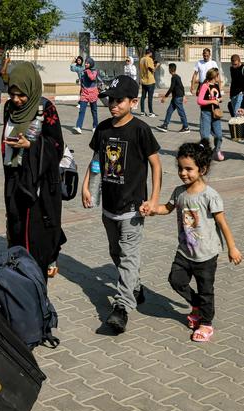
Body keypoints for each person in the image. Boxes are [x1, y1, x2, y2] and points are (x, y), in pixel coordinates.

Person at [81, 75, 162, 334]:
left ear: (133, 102)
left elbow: (156, 165)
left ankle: (121, 307)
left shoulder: (140, 130)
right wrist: (86, 185)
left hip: (133, 208)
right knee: (116, 254)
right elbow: (96, 160)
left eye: (119, 101)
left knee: (128, 257)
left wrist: (154, 198)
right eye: (110, 100)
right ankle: (135, 288)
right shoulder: (103, 128)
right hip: (109, 207)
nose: (113, 105)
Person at [151, 139, 242, 342]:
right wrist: (152, 209)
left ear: (202, 169)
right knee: (176, 280)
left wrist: (232, 248)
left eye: (188, 169)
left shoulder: (210, 196)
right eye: (181, 169)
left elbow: (222, 224)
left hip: (206, 254)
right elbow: (167, 208)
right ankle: (197, 305)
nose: (183, 173)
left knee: (206, 290)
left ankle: (206, 324)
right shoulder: (179, 192)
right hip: (184, 251)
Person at [1, 62, 65, 278]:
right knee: (15, 219)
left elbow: (57, 145)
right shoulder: (9, 108)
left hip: (40, 180)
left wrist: (31, 146)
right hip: (14, 174)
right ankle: (18, 263)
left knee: (39, 226)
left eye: (21, 95)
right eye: (12, 94)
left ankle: (42, 263)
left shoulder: (46, 108)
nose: (16, 100)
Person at [196, 68, 224, 161]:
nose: (219, 78)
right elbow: (199, 101)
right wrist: (212, 101)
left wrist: (219, 100)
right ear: (214, 76)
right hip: (206, 113)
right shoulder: (205, 86)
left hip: (216, 113)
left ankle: (216, 150)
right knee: (205, 136)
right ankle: (203, 154)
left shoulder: (216, 85)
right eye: (218, 76)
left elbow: (219, 97)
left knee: (219, 135)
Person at [157, 63, 189, 133]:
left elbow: (171, 88)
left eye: (169, 69)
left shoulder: (174, 77)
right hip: (176, 98)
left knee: (181, 112)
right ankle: (165, 125)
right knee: (169, 111)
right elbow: (182, 87)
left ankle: (186, 127)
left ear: (170, 70)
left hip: (177, 98)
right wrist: (183, 96)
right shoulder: (178, 77)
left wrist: (165, 97)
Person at [71, 57, 99, 134]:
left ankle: (95, 126)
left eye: (88, 63)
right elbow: (73, 69)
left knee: (94, 111)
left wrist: (87, 71)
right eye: (85, 63)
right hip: (84, 94)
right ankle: (78, 127)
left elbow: (92, 78)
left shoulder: (95, 71)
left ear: (91, 64)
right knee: (81, 111)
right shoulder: (82, 70)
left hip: (93, 93)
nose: (86, 64)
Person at [139, 49, 156, 117]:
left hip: (143, 80)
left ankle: (142, 112)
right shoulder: (149, 59)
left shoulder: (142, 59)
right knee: (150, 97)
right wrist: (156, 66)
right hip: (150, 81)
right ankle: (151, 112)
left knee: (143, 97)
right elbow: (152, 69)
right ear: (150, 53)